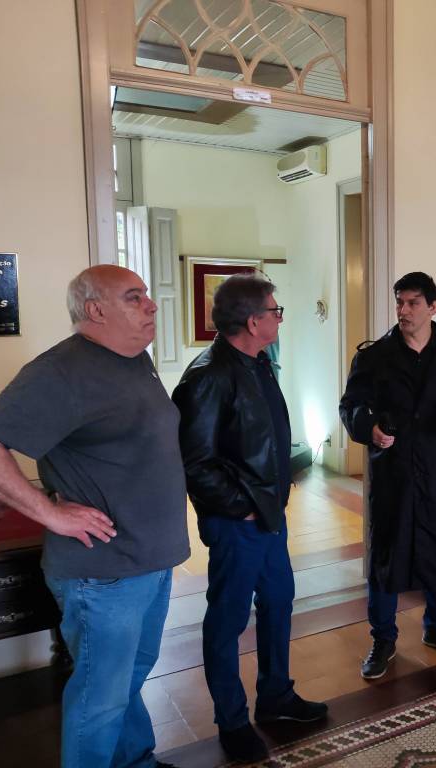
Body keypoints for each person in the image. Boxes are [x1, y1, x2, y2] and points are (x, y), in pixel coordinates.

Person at [0, 265, 188, 768]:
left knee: (128, 678)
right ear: (95, 309)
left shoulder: (135, 359)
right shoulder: (62, 371)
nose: (151, 304)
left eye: (147, 294)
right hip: (102, 574)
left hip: (149, 561)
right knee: (100, 698)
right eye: (134, 297)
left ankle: (135, 762)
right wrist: (52, 514)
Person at [172, 273, 327, 763]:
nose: (280, 318)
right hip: (238, 521)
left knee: (279, 601)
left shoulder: (259, 363)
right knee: (228, 619)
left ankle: (276, 696)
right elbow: (194, 462)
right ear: (253, 320)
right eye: (275, 310)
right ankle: (232, 721)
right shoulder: (207, 376)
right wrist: (240, 506)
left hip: (267, 516)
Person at [339, 271, 436, 680]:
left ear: (433, 307)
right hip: (396, 472)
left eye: (413, 303)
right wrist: (369, 428)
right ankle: (383, 638)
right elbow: (351, 405)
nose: (403, 311)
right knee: (387, 556)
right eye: (400, 303)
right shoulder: (374, 357)